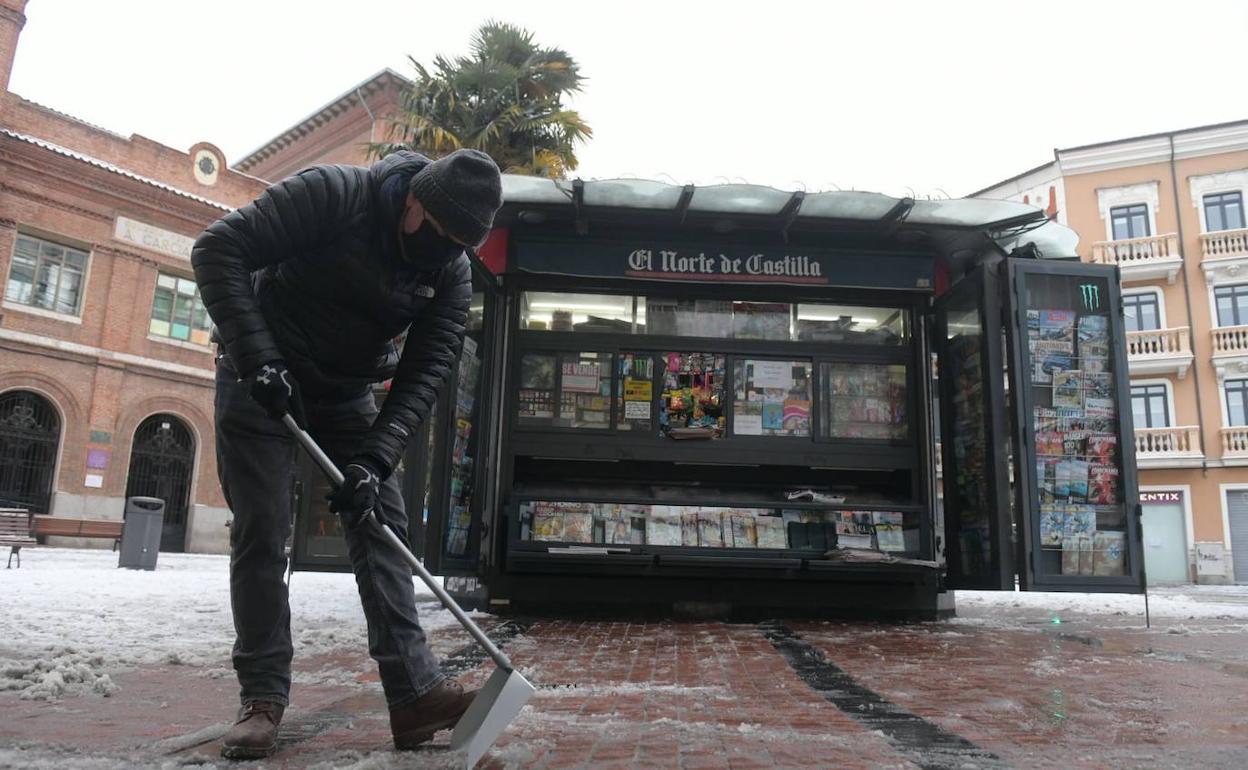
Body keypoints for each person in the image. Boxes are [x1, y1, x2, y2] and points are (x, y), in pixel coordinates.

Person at [191, 148, 503, 760]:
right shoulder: (335, 195)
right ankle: (262, 700)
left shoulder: (451, 269)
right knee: (262, 529)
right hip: (261, 374)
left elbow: (425, 372)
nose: (444, 257)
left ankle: (414, 694)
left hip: (345, 390)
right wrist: (259, 360)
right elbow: (217, 250)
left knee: (383, 525)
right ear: (415, 201)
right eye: (440, 238)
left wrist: (375, 461)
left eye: (460, 247)